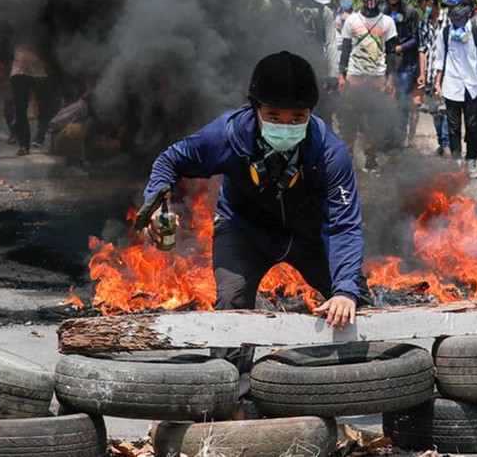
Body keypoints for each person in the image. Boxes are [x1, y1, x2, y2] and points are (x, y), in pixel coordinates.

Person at [135, 51, 367, 390]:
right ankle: (228, 392)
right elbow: (170, 161)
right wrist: (156, 200)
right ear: (255, 108)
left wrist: (345, 289)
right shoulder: (227, 135)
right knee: (232, 304)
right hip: (244, 231)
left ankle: (365, 378)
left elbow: (344, 225)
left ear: (311, 113)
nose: (285, 126)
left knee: (352, 297)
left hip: (308, 237)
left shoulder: (330, 153)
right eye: (273, 115)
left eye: (296, 118)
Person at [433, 0, 477, 178]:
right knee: (453, 126)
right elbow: (439, 59)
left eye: (456, 8)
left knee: (473, 125)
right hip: (452, 84)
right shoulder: (444, 33)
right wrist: (438, 82)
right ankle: (456, 163)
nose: (453, 13)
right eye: (450, 9)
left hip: (473, 84)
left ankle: (471, 163)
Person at [338, 0, 399, 172]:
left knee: (374, 119)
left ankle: (371, 158)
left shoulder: (387, 22)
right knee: (350, 117)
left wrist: (390, 79)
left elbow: (391, 52)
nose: (371, 0)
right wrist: (342, 75)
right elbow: (346, 49)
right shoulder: (352, 21)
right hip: (355, 77)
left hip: (377, 77)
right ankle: (346, 155)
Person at [381, 0, 421, 148]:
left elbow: (416, 39)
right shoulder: (382, 12)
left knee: (403, 104)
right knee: (386, 102)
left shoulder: (411, 12)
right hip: (386, 65)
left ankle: (401, 139)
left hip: (405, 65)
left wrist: (400, 47)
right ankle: (388, 138)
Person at [415, 0, 450, 156]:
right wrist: (422, 73)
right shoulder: (423, 23)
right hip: (429, 73)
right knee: (435, 111)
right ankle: (442, 143)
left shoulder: (448, 21)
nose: (420, 5)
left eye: (421, 2)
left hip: (446, 74)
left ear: (430, 2)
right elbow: (422, 49)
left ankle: (447, 144)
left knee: (446, 110)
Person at [10, 36, 56, 156]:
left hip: (39, 68)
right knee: (20, 108)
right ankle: (24, 143)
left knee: (45, 105)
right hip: (18, 68)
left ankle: (41, 135)